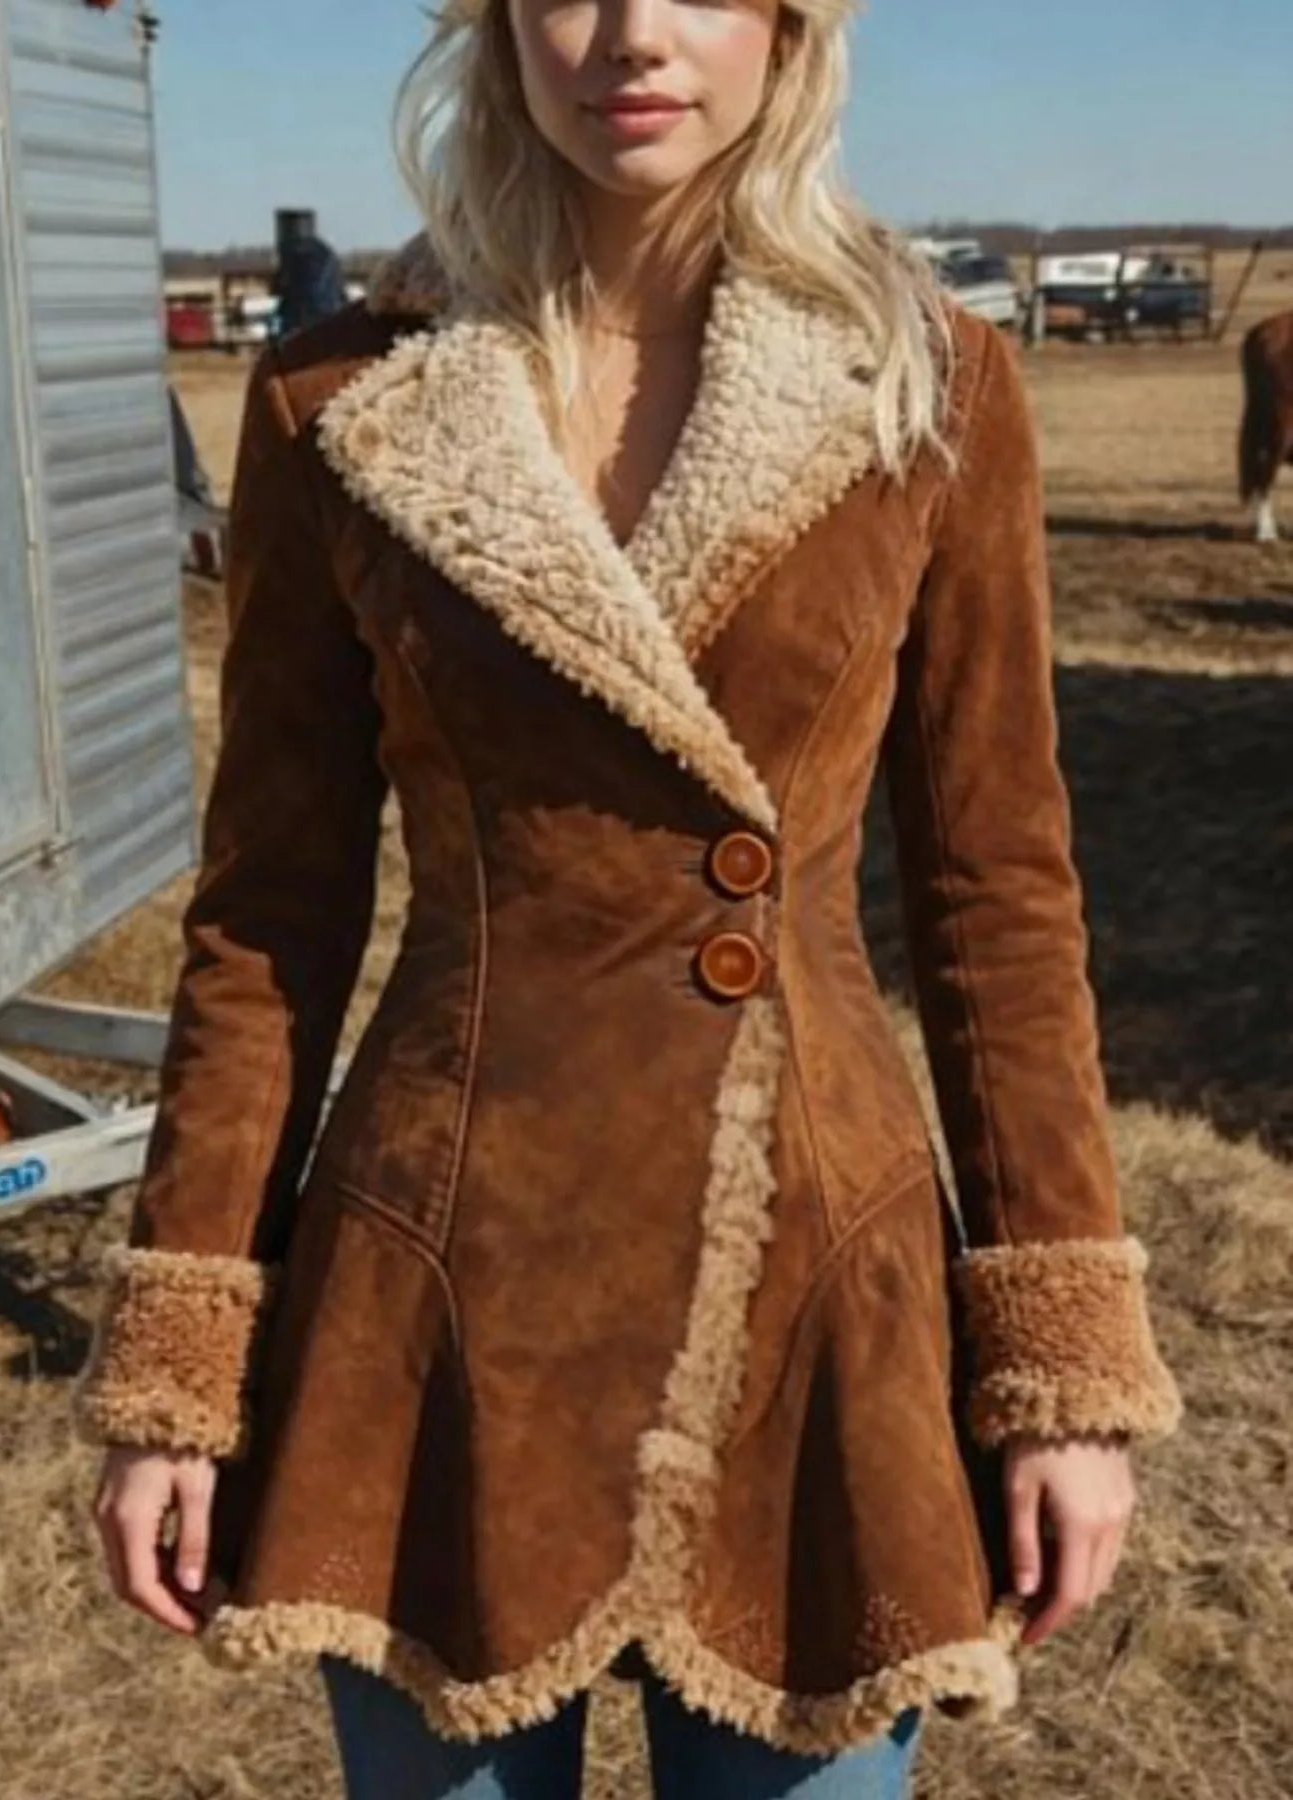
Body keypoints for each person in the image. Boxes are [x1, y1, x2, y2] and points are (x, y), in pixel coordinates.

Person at [71, 2, 1183, 1797]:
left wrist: (1059, 1375)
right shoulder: (342, 401)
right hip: (439, 1292)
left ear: (791, 23)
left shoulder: (927, 386)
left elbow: (997, 905)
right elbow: (268, 918)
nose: (628, 36)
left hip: (816, 1297)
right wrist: (182, 1364)